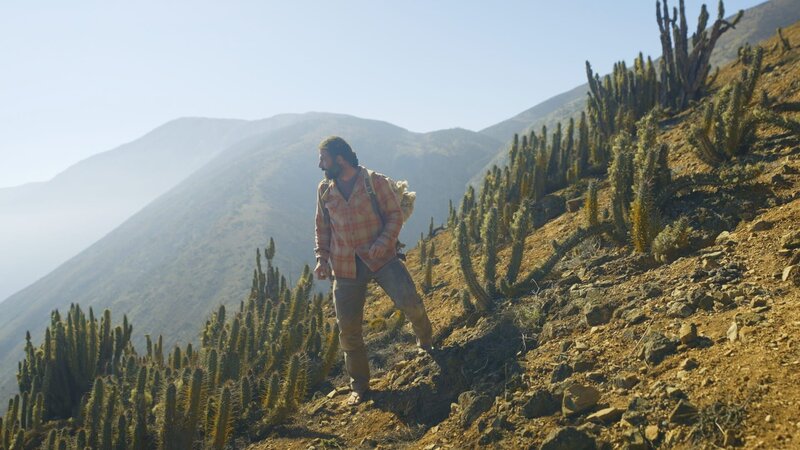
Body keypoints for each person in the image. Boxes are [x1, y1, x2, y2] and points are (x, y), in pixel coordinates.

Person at [314, 136, 434, 406]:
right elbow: (322, 227)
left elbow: (394, 215)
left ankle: (426, 342)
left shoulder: (373, 181)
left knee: (410, 302)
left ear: (340, 159)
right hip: (345, 266)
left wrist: (383, 242)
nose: (320, 165)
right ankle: (360, 386)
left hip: (382, 258)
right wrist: (322, 258)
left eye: (324, 159)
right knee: (348, 330)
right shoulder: (324, 190)